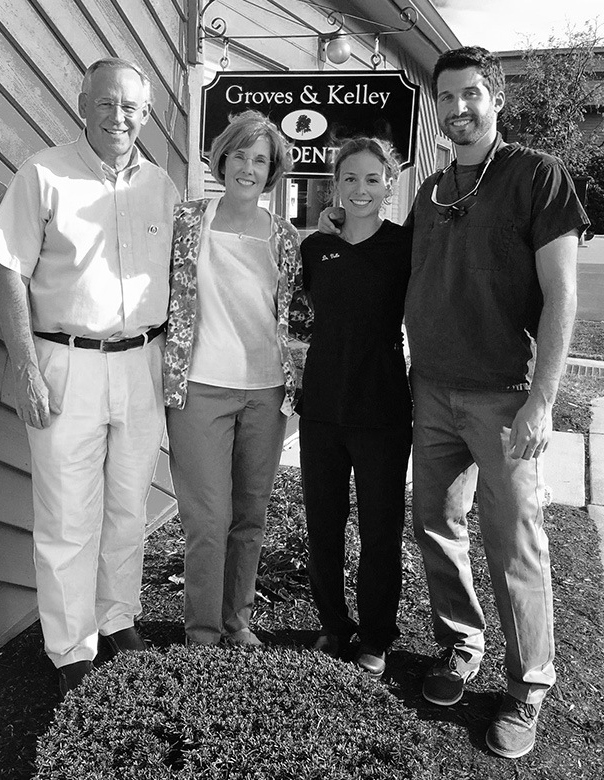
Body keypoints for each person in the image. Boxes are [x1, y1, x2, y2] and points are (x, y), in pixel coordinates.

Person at [319, 46, 588, 760]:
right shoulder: (432, 191)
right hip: (430, 392)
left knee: (514, 544)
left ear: (496, 98)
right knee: (436, 525)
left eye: (471, 93)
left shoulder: (537, 176)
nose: (458, 108)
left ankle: (528, 687)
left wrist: (542, 401)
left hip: (503, 398)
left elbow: (563, 292)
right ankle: (460, 645)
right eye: (447, 96)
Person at [0, 57, 179, 696]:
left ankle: (118, 617)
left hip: (142, 363)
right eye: (106, 103)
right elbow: (8, 269)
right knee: (67, 514)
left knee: (127, 502)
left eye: (131, 107)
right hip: (65, 362)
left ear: (145, 114)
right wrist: (27, 369)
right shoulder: (45, 173)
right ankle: (71, 646)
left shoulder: (162, 187)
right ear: (82, 103)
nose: (119, 117)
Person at [163, 110, 311, 646]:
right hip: (199, 387)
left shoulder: (285, 237)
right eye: (241, 156)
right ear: (222, 159)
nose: (249, 167)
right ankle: (202, 632)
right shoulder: (187, 221)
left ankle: (237, 622)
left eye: (261, 160)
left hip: (266, 392)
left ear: (272, 171)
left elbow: (300, 314)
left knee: (249, 517)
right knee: (207, 519)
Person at [297, 138, 412, 679]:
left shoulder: (406, 247)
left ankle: (376, 635)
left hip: (383, 412)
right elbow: (296, 321)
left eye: (372, 179)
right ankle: (333, 625)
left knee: (380, 529)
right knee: (322, 524)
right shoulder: (315, 249)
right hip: (321, 407)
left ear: (389, 184)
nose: (360, 189)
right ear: (335, 184)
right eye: (349, 179)